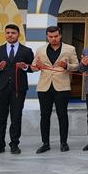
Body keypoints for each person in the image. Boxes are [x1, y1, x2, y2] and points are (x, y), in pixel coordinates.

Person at [0, 24, 34, 156]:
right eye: (7, 33)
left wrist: (25, 67)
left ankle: (14, 144)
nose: (10, 35)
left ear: (19, 34)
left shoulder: (26, 51)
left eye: (13, 33)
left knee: (16, 117)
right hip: (0, 88)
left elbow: (32, 67)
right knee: (0, 118)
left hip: (18, 88)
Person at [31, 26, 79, 154]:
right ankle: (45, 143)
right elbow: (33, 66)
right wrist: (37, 66)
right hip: (44, 87)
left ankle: (64, 143)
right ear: (47, 37)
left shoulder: (70, 49)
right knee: (44, 115)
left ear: (60, 35)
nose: (53, 39)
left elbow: (76, 66)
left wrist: (66, 65)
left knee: (62, 115)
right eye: (51, 37)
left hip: (62, 87)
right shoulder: (40, 50)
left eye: (56, 36)